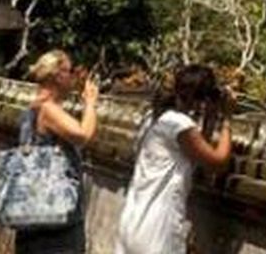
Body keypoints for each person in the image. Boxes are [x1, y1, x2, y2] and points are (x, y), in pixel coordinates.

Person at [115, 65, 234, 254]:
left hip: (134, 223)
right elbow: (218, 162)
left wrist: (211, 118)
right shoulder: (179, 125)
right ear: (201, 98)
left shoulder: (155, 119)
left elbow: (197, 151)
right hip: (157, 232)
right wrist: (227, 119)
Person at [15, 49, 100, 254]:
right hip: (55, 214)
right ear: (56, 75)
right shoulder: (48, 109)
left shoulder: (33, 107)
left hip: (33, 208)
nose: (72, 78)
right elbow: (83, 135)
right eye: (69, 72)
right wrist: (90, 104)